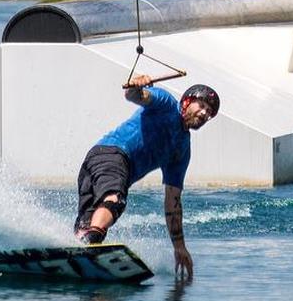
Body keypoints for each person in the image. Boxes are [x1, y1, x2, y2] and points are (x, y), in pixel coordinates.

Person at [74, 74, 221, 279]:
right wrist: (136, 85)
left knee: (88, 225)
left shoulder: (182, 150)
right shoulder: (166, 103)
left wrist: (179, 247)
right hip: (111, 154)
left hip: (104, 168)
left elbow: (173, 202)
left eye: (209, 113)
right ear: (187, 100)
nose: (205, 113)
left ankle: (81, 246)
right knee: (114, 200)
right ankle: (90, 246)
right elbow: (135, 95)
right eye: (202, 106)